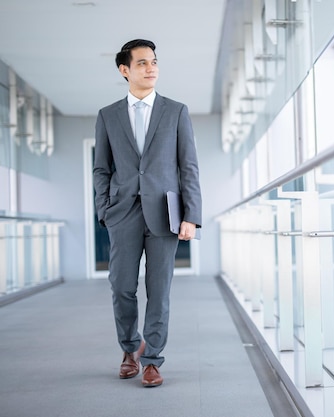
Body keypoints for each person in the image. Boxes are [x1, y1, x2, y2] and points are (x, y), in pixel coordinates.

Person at [93, 39, 202, 387]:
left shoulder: (176, 111)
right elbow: (101, 169)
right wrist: (104, 210)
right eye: (141, 63)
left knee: (159, 290)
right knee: (121, 286)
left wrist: (192, 215)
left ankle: (153, 360)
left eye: (153, 62)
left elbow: (189, 167)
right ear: (125, 70)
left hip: (165, 214)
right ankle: (130, 348)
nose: (150, 68)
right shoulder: (108, 116)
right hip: (122, 213)